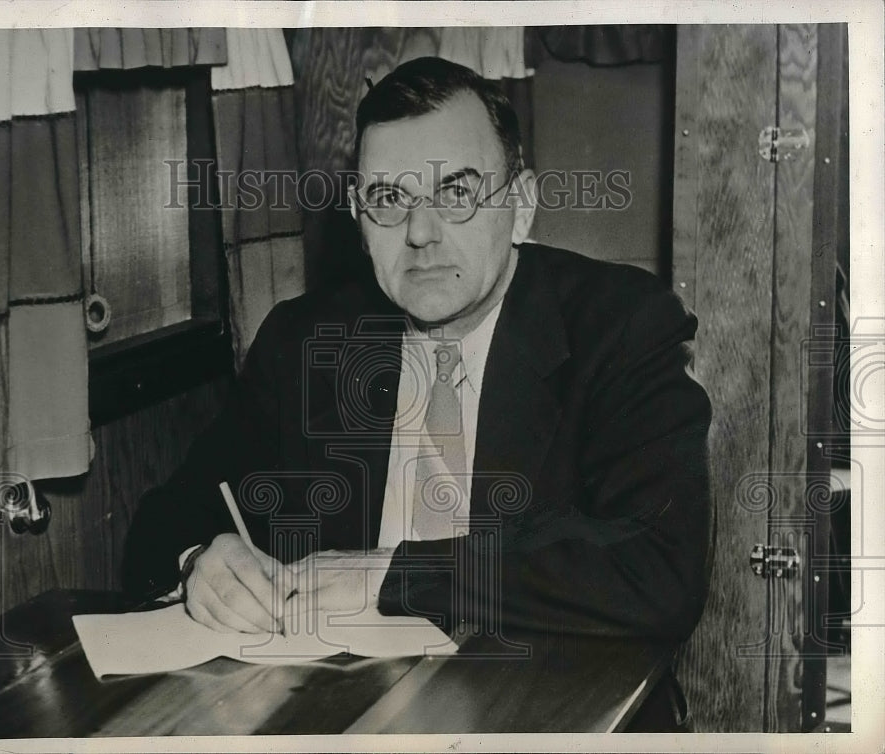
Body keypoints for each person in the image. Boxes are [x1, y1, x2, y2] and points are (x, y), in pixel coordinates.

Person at [124, 57, 713, 651]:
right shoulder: (305, 341)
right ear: (359, 221)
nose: (421, 233)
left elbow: (659, 569)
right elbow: (165, 520)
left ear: (523, 205)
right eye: (388, 198)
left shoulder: (618, 328)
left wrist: (392, 574)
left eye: (456, 192)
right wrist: (197, 561)